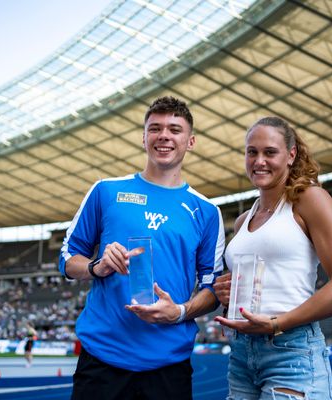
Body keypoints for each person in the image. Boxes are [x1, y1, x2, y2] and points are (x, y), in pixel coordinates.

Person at [59, 96, 225, 400]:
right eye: (155, 128)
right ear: (144, 138)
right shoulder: (106, 191)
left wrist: (178, 312)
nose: (164, 136)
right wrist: (97, 267)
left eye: (175, 129)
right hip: (102, 362)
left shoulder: (207, 212)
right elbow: (68, 259)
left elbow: (212, 288)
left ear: (190, 141)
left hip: (169, 367)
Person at [213, 116, 332, 400]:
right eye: (252, 152)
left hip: (291, 351)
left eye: (270, 152)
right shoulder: (244, 219)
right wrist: (228, 294)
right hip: (242, 354)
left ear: (291, 155)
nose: (259, 161)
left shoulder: (310, 200)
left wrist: (276, 323)